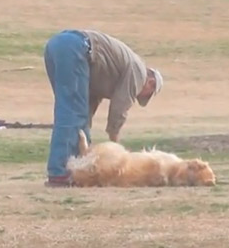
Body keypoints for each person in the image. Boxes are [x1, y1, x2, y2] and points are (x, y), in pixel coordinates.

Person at [43, 29, 163, 187]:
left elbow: (88, 106)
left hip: (57, 45)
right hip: (77, 48)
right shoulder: (138, 72)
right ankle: (60, 174)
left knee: (73, 112)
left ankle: (76, 170)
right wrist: (117, 148)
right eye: (146, 94)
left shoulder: (108, 75)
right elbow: (119, 107)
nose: (139, 96)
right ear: (151, 83)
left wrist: (86, 137)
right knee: (72, 113)